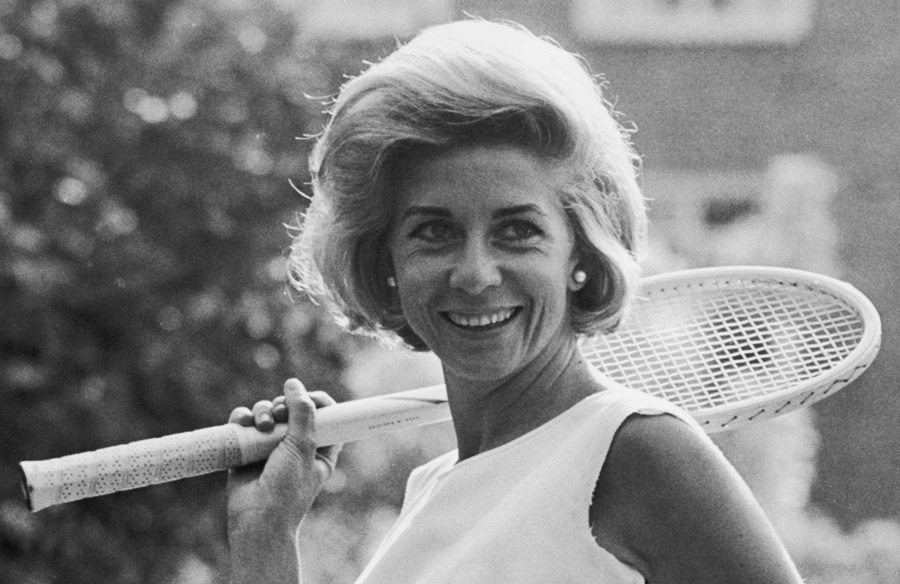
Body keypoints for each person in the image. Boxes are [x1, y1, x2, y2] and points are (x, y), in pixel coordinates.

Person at [226, 19, 804, 584]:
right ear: (386, 261)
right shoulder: (431, 493)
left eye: (517, 231)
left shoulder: (637, 453)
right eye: (434, 231)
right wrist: (265, 534)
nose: (475, 275)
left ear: (581, 251)